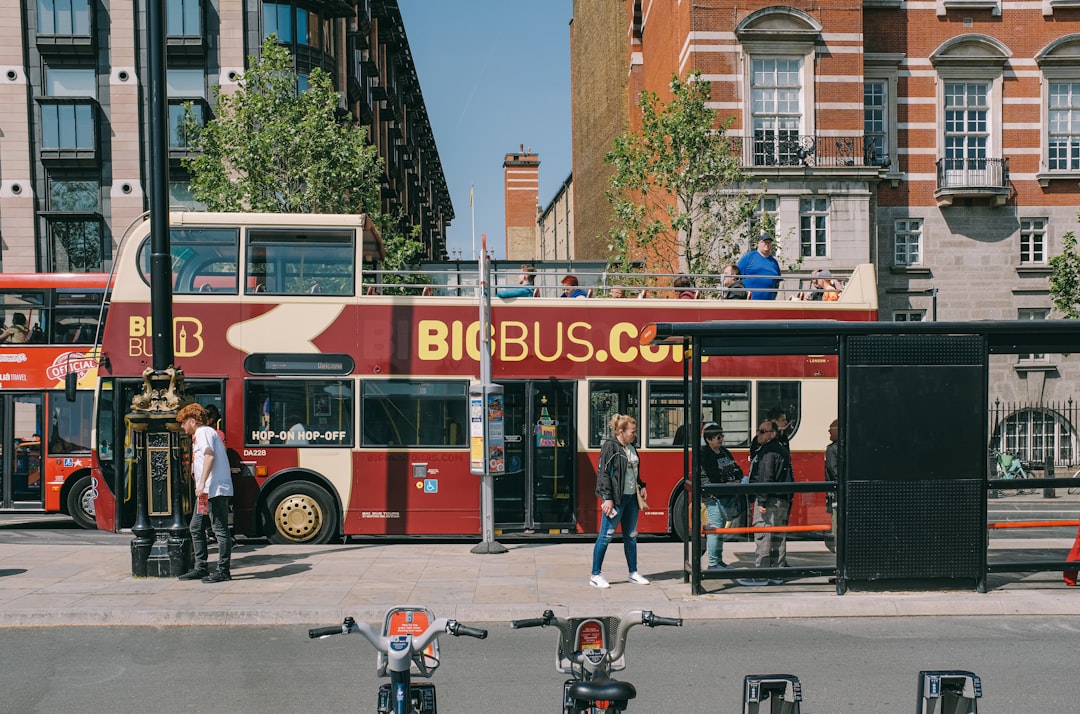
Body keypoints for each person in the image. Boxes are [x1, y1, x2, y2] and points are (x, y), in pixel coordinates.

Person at [590, 413, 650, 588]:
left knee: (631, 536)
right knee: (606, 535)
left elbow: (634, 470)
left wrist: (642, 485)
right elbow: (603, 474)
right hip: (616, 499)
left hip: (631, 499)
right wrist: (607, 498)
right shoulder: (610, 447)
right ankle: (595, 574)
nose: (635, 434)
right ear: (621, 431)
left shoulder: (631, 447)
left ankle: (633, 572)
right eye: (632, 431)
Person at [177, 403, 234, 583]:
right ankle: (200, 567)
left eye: (184, 422)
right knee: (196, 526)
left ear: (192, 421)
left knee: (220, 530)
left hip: (213, 489)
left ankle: (223, 570)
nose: (182, 426)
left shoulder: (203, 432)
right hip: (207, 491)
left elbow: (209, 455)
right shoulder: (203, 434)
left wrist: (201, 483)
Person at [738, 420, 792, 586]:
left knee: (763, 535)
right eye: (758, 431)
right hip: (781, 500)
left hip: (769, 501)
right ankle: (777, 572)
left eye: (762, 431)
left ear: (772, 434)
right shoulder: (781, 449)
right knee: (778, 538)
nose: (758, 434)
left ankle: (761, 574)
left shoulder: (768, 452)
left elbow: (766, 478)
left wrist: (761, 500)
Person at [699, 424, 745, 570]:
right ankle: (713, 562)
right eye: (718, 437)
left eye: (722, 436)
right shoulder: (705, 454)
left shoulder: (724, 451)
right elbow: (710, 476)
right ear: (708, 439)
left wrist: (738, 478)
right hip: (713, 497)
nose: (721, 439)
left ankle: (718, 560)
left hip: (726, 495)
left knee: (720, 530)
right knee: (715, 529)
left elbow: (736, 468)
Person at [737, 234, 782, 300]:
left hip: (768, 302)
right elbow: (736, 275)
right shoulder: (749, 257)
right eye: (764, 242)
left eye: (769, 242)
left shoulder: (774, 262)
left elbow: (779, 282)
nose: (767, 244)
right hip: (750, 302)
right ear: (759, 243)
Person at [824, 419, 839, 555]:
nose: (829, 431)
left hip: (835, 495)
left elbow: (833, 470)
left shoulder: (832, 449)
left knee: (836, 523)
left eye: (831, 428)